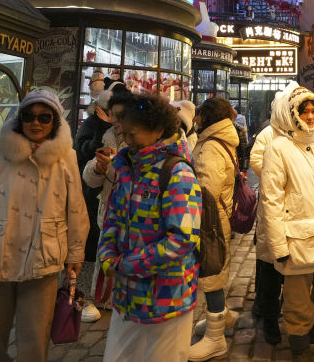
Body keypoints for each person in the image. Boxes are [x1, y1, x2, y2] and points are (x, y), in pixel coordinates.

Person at [0, 88, 88, 362]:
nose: (35, 123)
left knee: (34, 338)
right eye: (29, 116)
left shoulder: (65, 157)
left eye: (44, 117)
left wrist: (75, 254)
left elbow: (76, 208)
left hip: (43, 257)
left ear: (55, 121)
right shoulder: (0, 154)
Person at [98, 92, 203, 361]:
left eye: (133, 134)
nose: (127, 141)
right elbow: (113, 216)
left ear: (157, 130)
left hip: (167, 299)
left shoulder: (177, 173)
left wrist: (125, 264)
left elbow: (181, 239)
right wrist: (107, 253)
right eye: (124, 134)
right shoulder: (128, 167)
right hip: (127, 297)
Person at [261, 84, 314, 358]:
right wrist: (278, 246)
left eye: (313, 111)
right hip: (296, 239)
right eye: (304, 111)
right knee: (297, 298)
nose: (310, 116)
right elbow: (271, 200)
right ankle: (299, 343)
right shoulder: (278, 148)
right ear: (292, 114)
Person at [187, 97, 240, 361]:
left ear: (207, 117)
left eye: (198, 113)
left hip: (210, 220)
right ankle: (222, 317)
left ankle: (215, 338)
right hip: (218, 217)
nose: (195, 118)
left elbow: (206, 191)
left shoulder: (210, 147)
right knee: (216, 271)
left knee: (211, 274)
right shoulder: (220, 140)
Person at [74, 78, 126, 323]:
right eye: (114, 112)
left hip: (122, 205)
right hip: (95, 196)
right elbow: (83, 154)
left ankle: (109, 295)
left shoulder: (134, 134)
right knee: (94, 245)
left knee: (112, 248)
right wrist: (99, 164)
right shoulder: (96, 126)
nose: (117, 118)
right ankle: (89, 296)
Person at [249, 96, 286, 344]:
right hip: (271, 207)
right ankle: (267, 311)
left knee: (285, 267)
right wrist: (278, 176)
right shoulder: (267, 134)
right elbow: (256, 160)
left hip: (294, 211)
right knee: (268, 264)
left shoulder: (302, 134)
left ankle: (271, 307)